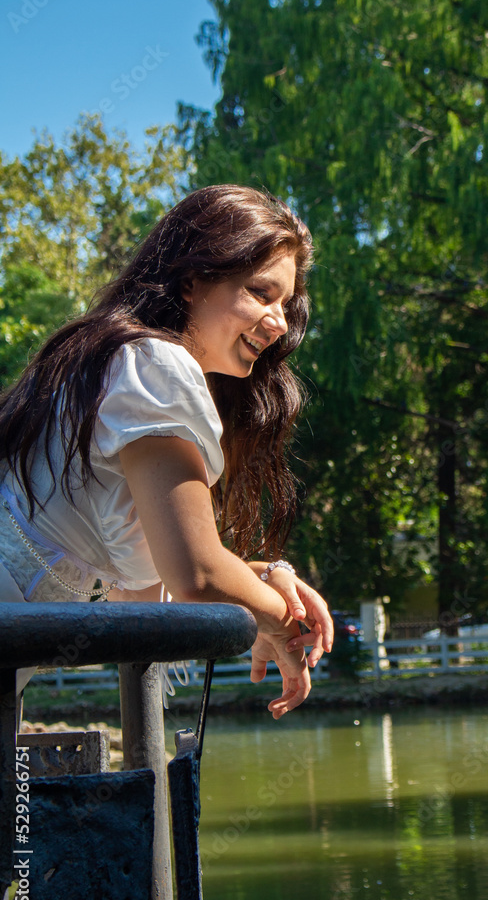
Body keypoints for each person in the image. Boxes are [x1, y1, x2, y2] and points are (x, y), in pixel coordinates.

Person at [0, 184, 333, 719]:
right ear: (193, 279)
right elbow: (197, 575)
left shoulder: (123, 360)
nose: (279, 323)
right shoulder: (157, 365)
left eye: (286, 304)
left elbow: (158, 581)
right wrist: (282, 618)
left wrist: (266, 579)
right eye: (261, 294)